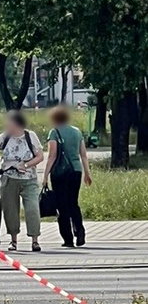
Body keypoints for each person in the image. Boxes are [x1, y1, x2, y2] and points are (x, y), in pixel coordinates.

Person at [0, 110, 44, 252]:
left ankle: (35, 240)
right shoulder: (5, 137)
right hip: (9, 178)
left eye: (9, 122)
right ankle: (13, 241)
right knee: (10, 211)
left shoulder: (30, 136)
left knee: (32, 209)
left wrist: (26, 165)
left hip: (29, 178)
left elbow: (40, 156)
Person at [43, 106, 92, 248]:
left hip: (59, 173)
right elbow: (83, 154)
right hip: (76, 171)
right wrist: (87, 173)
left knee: (62, 205)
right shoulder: (77, 132)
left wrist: (45, 175)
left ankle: (68, 239)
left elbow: (52, 156)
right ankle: (80, 231)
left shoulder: (54, 132)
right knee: (73, 203)